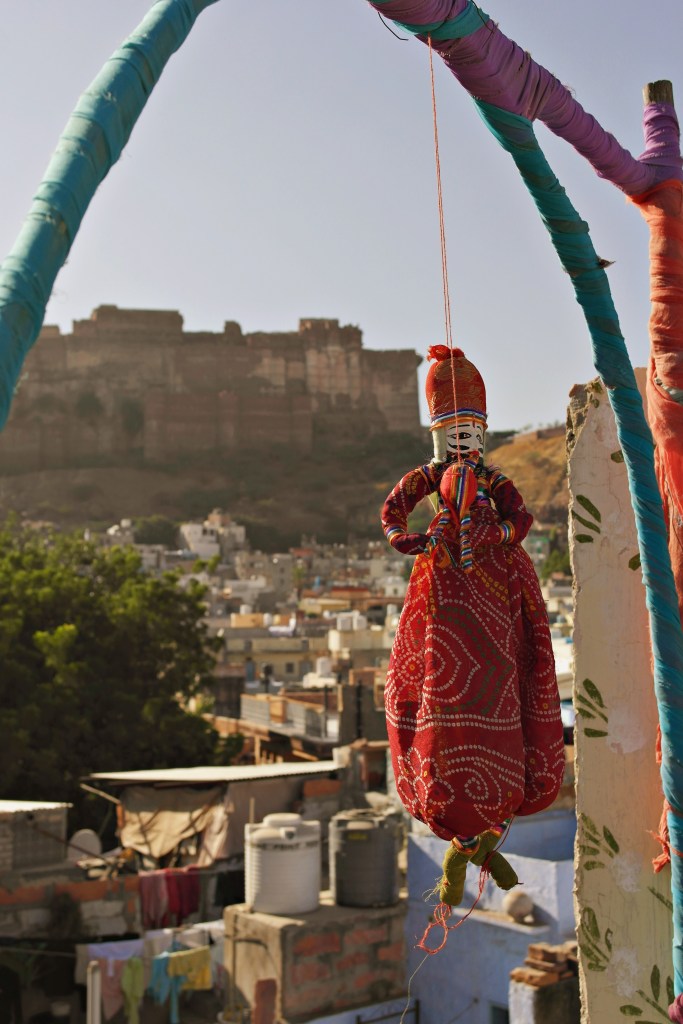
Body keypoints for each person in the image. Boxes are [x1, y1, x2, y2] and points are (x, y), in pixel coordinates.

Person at [381, 345, 564, 903]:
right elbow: (393, 512)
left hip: (494, 580)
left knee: (501, 670)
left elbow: (523, 519)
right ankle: (475, 855)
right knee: (444, 675)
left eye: (470, 431)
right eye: (452, 431)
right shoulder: (429, 477)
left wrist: (496, 538)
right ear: (437, 435)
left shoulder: (493, 479)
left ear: (482, 432)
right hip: (445, 582)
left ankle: (475, 857)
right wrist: (413, 541)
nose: (462, 441)